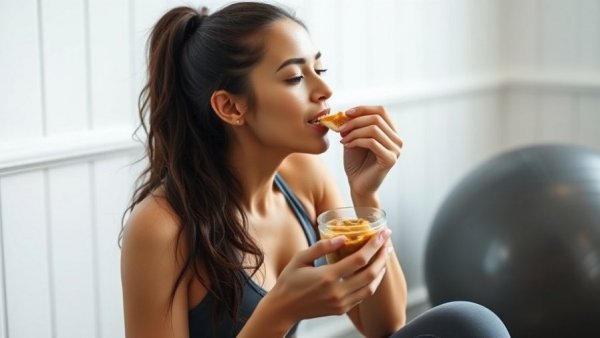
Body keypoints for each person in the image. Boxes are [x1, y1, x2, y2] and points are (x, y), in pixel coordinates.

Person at [120, 2, 510, 338]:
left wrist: (365, 198)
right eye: (294, 77)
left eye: (319, 70)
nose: (323, 91)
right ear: (231, 107)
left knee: (467, 323)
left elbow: (383, 326)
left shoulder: (305, 178)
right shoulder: (161, 229)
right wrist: (278, 312)